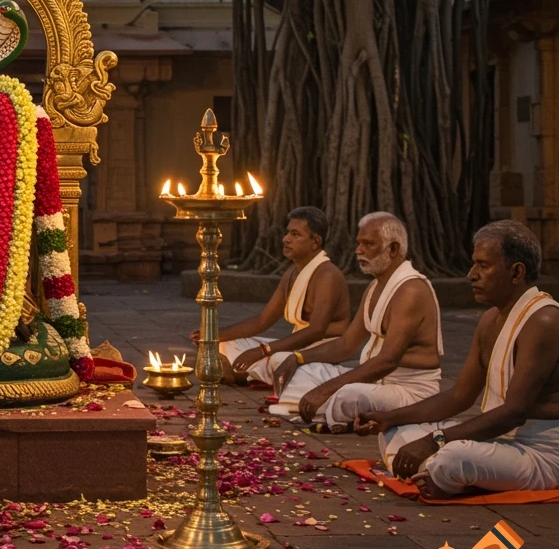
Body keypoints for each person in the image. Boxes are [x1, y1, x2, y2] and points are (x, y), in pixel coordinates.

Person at [356, 221, 559, 497]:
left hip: (541, 454)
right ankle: (447, 475)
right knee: (399, 433)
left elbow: (514, 412)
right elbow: (459, 397)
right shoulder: (490, 320)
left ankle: (448, 473)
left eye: (483, 265)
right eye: (473, 264)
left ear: (516, 272)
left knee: (452, 456)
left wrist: (436, 440)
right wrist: (389, 418)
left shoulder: (545, 320)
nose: (470, 275)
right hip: (500, 442)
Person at [271, 212, 442, 428]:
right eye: (359, 243)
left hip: (407, 391)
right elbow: (345, 344)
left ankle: (338, 417)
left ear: (393, 249)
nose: (358, 251)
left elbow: (387, 361)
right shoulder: (375, 286)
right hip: (374, 384)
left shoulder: (411, 290)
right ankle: (332, 414)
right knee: (295, 367)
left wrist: (326, 389)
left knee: (347, 395)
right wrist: (297, 358)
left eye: (368, 244)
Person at [194, 207, 350, 385]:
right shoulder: (292, 273)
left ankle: (245, 375)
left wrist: (263, 350)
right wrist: (211, 336)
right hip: (297, 345)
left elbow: (316, 331)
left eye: (295, 234)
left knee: (279, 360)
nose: (286, 239)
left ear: (315, 241)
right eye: (287, 233)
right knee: (223, 345)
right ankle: (252, 375)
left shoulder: (327, 275)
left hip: (322, 350)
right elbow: (262, 320)